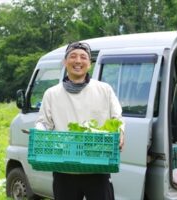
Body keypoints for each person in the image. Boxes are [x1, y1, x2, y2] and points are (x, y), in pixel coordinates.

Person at [35, 41, 124, 200]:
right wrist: (39, 132)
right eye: (73, 56)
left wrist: (120, 132)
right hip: (64, 168)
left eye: (83, 57)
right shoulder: (52, 94)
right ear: (65, 62)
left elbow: (117, 118)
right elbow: (43, 122)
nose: (78, 61)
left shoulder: (104, 90)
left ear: (89, 64)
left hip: (98, 166)